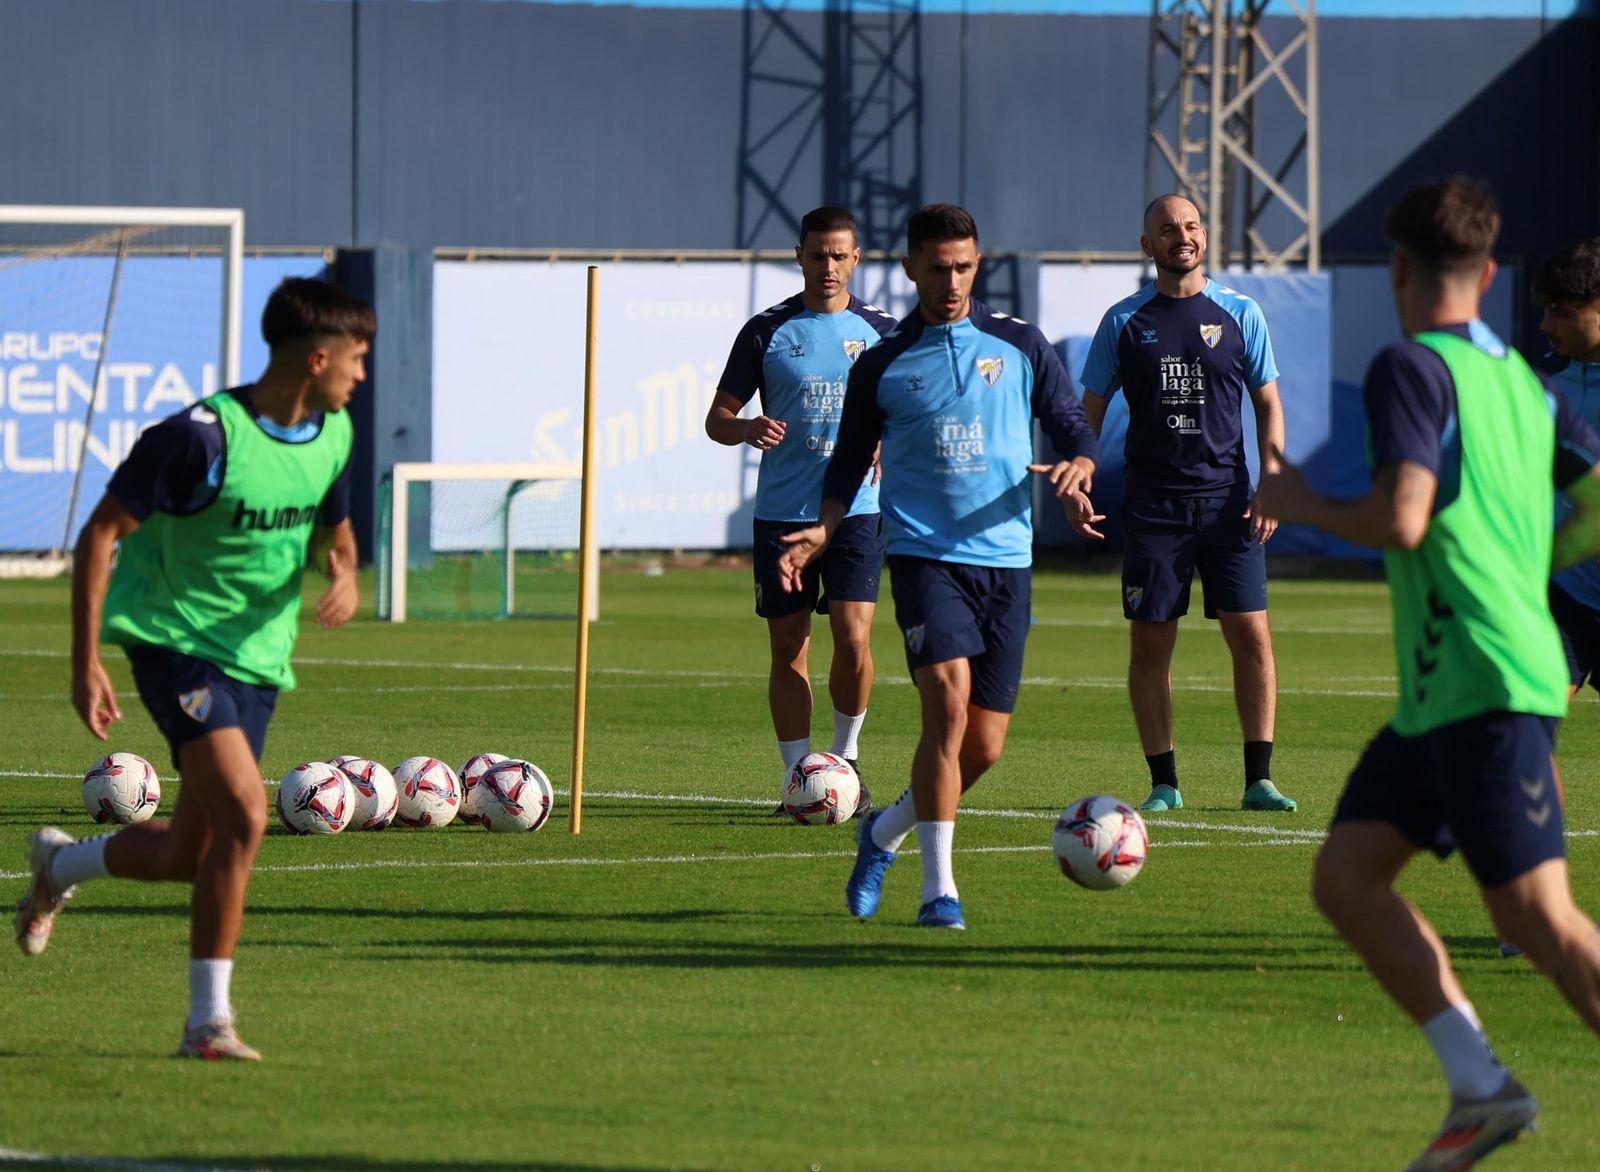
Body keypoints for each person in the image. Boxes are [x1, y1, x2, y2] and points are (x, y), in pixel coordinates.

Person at [1255, 177, 1600, 1171]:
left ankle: (1483, 1083)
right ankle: (1481, 1084)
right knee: (1345, 876)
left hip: (1484, 680)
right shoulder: (1523, 381)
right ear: (1490, 275)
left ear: (1399, 270)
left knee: (1538, 918)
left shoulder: (1412, 367)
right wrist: (1522, 559)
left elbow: (1401, 516)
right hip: (1443, 689)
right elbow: (1595, 501)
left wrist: (1301, 502)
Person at [13, 276, 372, 1061]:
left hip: (259, 659)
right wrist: (85, 660)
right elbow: (100, 536)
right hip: (171, 640)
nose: (364, 372)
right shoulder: (199, 438)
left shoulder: (334, 434)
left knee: (189, 853)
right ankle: (208, 1025)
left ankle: (58, 865)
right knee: (246, 816)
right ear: (317, 357)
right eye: (359, 355)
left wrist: (341, 573)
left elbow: (334, 537)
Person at [778, 203, 1099, 929]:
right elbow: (851, 458)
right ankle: (939, 892)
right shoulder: (886, 361)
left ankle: (882, 832)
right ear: (910, 269)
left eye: (963, 267)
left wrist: (1081, 462)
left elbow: (1072, 422)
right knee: (946, 708)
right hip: (925, 556)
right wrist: (825, 527)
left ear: (975, 264)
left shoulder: (1019, 343)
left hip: (1007, 561)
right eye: (937, 268)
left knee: (982, 748)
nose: (951, 281)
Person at [1077, 194, 1297, 814]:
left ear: (1206, 235)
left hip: (1230, 506)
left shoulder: (1240, 312)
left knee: (1252, 637)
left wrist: (1272, 476)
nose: (1183, 236)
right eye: (1169, 228)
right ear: (1148, 245)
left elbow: (1269, 404)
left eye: (1193, 225)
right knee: (1150, 647)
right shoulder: (1122, 322)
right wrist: (1078, 478)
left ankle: (1260, 780)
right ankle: (1164, 784)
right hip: (1153, 511)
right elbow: (1085, 415)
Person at [706, 206, 896, 815]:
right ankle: (799, 780)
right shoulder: (766, 330)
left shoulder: (883, 331)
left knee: (855, 637)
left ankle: (847, 760)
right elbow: (716, 420)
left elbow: (915, 407)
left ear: (857, 258)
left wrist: (893, 443)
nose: (829, 266)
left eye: (840, 255)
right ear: (800, 255)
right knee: (789, 646)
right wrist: (746, 427)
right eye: (818, 255)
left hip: (856, 512)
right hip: (783, 513)